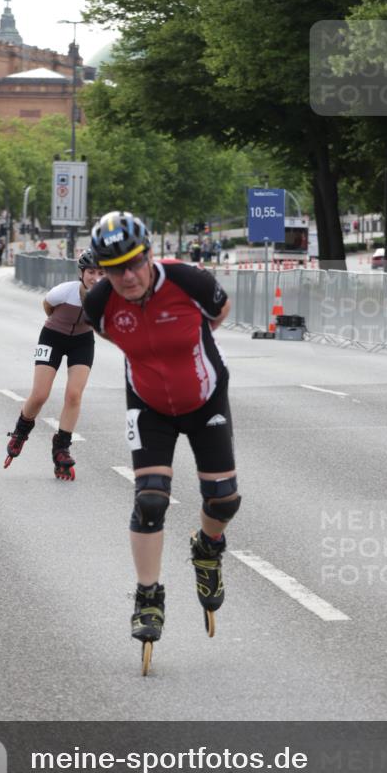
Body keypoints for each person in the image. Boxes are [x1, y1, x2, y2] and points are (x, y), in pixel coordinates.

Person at [83, 212, 240, 667]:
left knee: (224, 500)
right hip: (149, 405)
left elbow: (220, 312)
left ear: (149, 254)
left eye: (134, 263)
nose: (127, 276)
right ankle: (148, 595)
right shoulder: (99, 304)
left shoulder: (189, 279)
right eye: (114, 268)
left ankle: (207, 549)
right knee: (150, 499)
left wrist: (183, 346)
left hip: (205, 398)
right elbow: (110, 333)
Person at [4, 250, 104, 478]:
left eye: (101, 273)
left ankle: (62, 448)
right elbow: (47, 306)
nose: (96, 277)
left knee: (74, 395)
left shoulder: (108, 295)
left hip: (82, 341)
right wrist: (59, 323)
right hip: (52, 336)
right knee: (40, 394)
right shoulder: (64, 291)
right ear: (81, 273)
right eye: (91, 272)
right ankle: (21, 431)